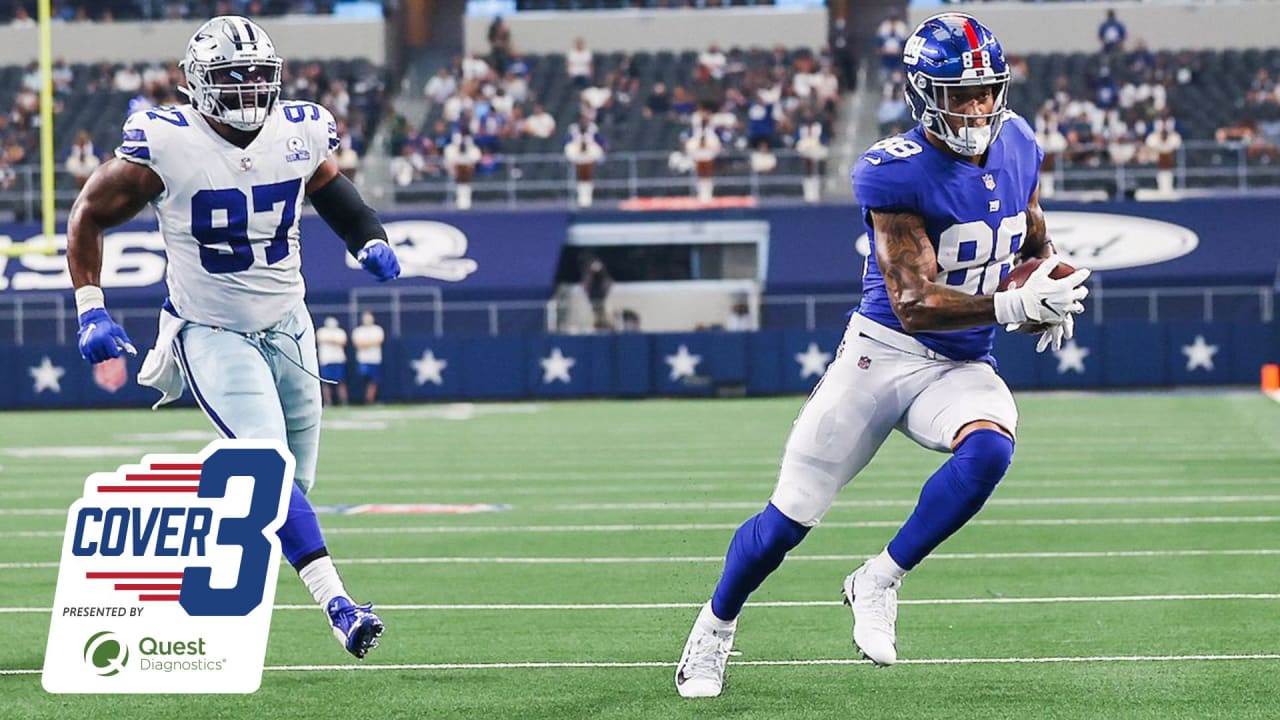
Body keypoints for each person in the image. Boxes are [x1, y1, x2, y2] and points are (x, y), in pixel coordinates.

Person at [675, 13, 1091, 698]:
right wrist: (1012, 305)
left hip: (958, 367)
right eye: (961, 94)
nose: (979, 107)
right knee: (787, 521)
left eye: (986, 90)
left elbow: (1030, 229)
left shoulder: (1019, 143)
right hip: (882, 356)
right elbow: (915, 301)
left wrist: (1047, 279)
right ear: (925, 94)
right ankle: (713, 629)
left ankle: (880, 577)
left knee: (990, 449)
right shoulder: (893, 173)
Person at [67, 16, 400, 661]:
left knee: (287, 491)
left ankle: (206, 490)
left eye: (257, 77)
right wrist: (90, 307)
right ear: (199, 83)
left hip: (291, 325)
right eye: (232, 77)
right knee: (269, 469)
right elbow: (89, 212)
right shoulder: (167, 143)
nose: (248, 90)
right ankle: (340, 605)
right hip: (211, 330)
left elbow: (328, 187)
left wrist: (368, 236)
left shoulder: (299, 129)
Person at [565, 115, 605, 208]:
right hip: (577, 156)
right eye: (582, 121)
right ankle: (581, 199)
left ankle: (588, 199)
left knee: (587, 179)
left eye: (585, 121)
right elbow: (567, 143)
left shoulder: (593, 129)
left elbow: (601, 141)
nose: (583, 123)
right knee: (581, 180)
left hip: (590, 156)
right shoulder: (573, 130)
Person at [351, 311, 386, 404]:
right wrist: (370, 343)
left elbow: (379, 341)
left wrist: (366, 343)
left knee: (374, 380)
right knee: (364, 379)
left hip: (374, 359)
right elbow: (358, 343)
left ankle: (370, 399)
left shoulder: (377, 329)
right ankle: (364, 397)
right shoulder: (358, 331)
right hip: (363, 359)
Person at [316, 316, 349, 406]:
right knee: (326, 383)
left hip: (338, 360)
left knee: (340, 382)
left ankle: (343, 401)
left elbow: (342, 342)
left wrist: (330, 340)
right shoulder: (322, 331)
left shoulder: (340, 332)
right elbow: (321, 340)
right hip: (326, 360)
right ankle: (328, 401)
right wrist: (334, 341)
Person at [581, 257, 613, 331]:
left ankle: (601, 323)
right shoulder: (589, 276)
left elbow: (609, 283)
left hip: (600, 297)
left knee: (600, 312)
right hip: (593, 297)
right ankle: (598, 324)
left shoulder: (603, 275)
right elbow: (585, 285)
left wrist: (605, 293)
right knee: (596, 312)